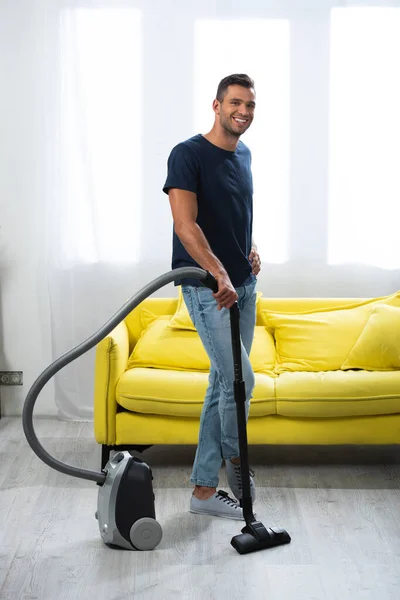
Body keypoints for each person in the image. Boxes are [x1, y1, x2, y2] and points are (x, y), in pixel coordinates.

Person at [163, 74, 261, 520]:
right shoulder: (187, 154)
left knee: (223, 383)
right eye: (236, 102)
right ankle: (237, 468)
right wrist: (218, 271)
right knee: (242, 383)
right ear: (217, 105)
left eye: (250, 105)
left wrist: (249, 250)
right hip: (208, 289)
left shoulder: (244, 154)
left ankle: (203, 492)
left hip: (242, 286)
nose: (244, 111)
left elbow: (235, 212)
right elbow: (186, 225)